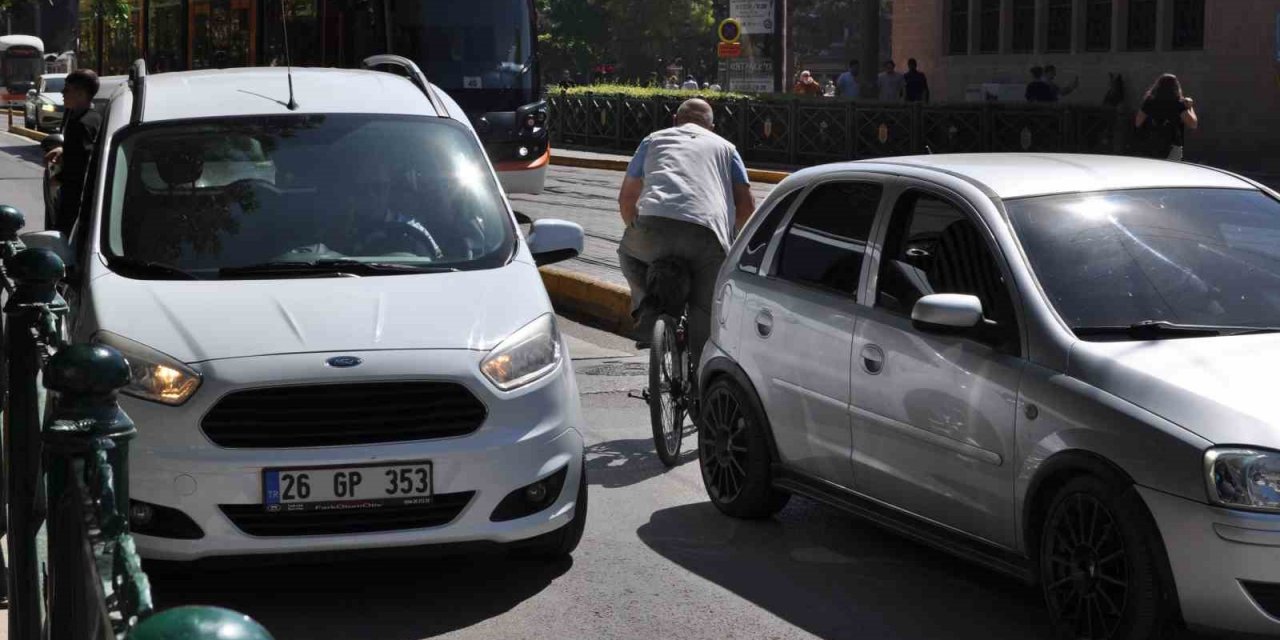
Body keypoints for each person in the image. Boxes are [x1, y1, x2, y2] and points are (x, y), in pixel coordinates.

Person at [616, 99, 754, 363]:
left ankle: (649, 310)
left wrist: (639, 233)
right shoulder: (727, 149)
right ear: (711, 126)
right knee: (705, 309)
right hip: (707, 235)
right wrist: (730, 240)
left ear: (674, 119)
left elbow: (626, 200)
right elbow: (746, 206)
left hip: (653, 225)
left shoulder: (652, 140)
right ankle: (698, 378)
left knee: (628, 255)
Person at [44, 69, 101, 237]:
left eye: (67, 89)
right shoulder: (90, 117)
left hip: (76, 202)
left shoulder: (82, 124)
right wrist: (64, 150)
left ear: (81, 94)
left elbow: (83, 164)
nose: (62, 93)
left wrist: (58, 179)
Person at [1135, 73, 1198, 161]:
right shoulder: (1178, 104)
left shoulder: (1149, 102)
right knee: (1171, 173)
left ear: (1157, 85)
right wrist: (1190, 106)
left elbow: (1138, 123)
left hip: (1151, 144)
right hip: (1173, 146)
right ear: (1176, 87)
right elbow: (1193, 124)